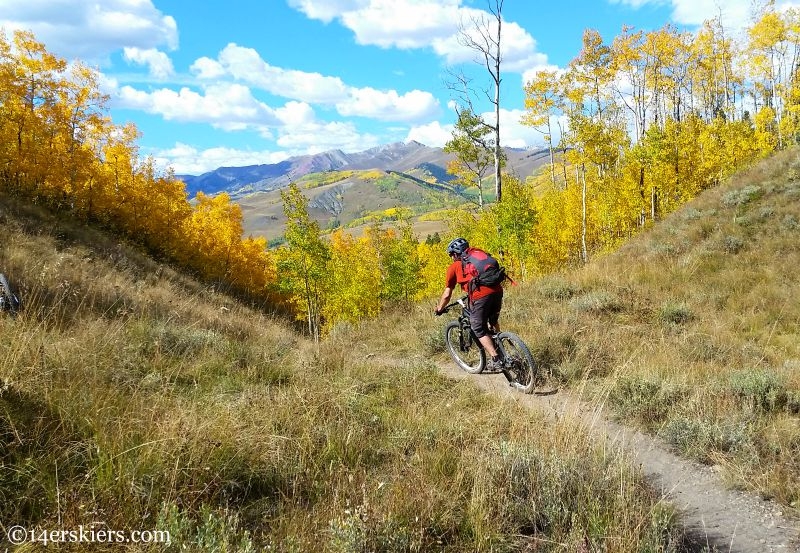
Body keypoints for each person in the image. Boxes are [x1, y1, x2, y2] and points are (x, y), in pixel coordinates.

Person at [434, 237, 505, 370]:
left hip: (480, 295)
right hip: (497, 290)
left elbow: (447, 294)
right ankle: (502, 349)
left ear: (455, 254)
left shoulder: (455, 266)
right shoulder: (479, 257)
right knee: (492, 320)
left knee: (477, 327)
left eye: (451, 255)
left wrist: (439, 308)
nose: (452, 258)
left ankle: (496, 359)